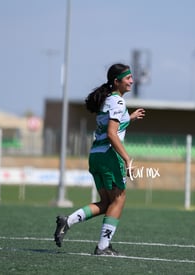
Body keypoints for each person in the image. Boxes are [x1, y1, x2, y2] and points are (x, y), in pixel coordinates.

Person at [53, 63, 145, 256]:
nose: (131, 81)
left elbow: (110, 126)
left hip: (96, 155)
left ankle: (67, 221)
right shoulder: (118, 102)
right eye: (128, 78)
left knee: (106, 203)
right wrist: (127, 159)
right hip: (109, 156)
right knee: (119, 200)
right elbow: (112, 134)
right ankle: (103, 247)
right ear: (116, 81)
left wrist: (130, 118)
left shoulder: (108, 100)